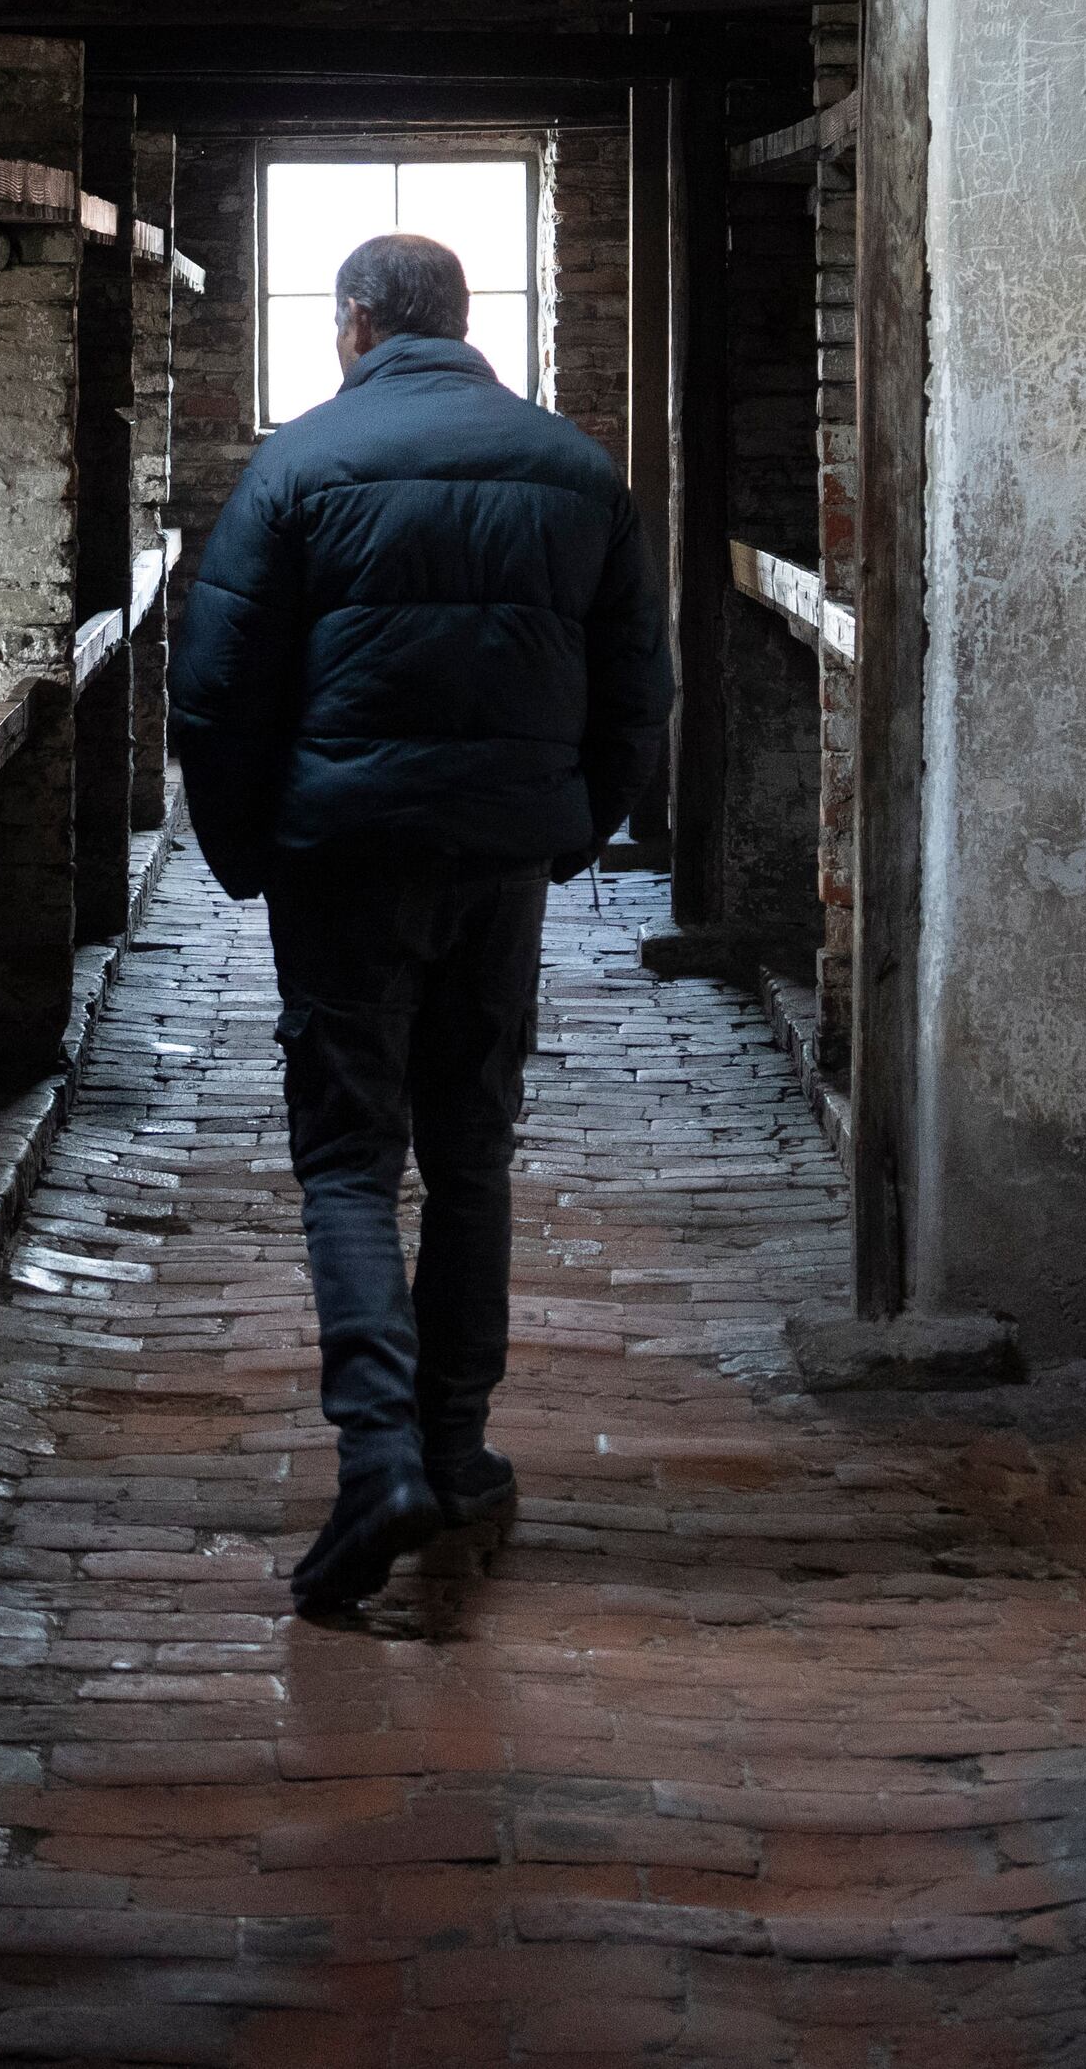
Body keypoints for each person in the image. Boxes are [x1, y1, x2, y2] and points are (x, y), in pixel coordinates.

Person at [167, 228, 673, 1614]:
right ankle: (453, 1452)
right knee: (470, 1150)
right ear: (464, 321)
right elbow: (642, 687)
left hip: (343, 863)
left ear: (352, 323)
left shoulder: (296, 469)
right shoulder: (576, 472)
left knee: (345, 1159)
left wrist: (244, 850)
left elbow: (213, 687)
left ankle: (379, 1456)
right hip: (497, 863)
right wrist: (569, 825)